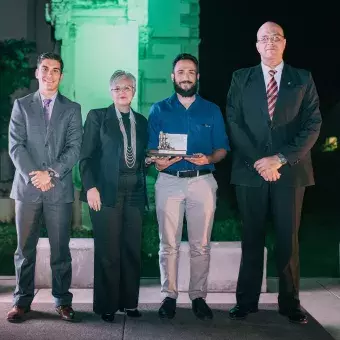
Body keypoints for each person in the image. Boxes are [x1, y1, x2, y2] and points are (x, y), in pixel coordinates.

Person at [226, 21, 322, 324]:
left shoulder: (302, 79)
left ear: (284, 43)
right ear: (256, 45)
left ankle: (290, 304)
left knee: (287, 239)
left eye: (275, 37)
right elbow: (234, 120)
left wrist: (279, 159)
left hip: (290, 173)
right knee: (251, 238)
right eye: (263, 39)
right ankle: (246, 302)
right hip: (249, 172)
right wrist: (261, 161)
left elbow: (313, 125)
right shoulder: (241, 79)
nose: (270, 42)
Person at [148, 53, 229, 320]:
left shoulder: (211, 109)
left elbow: (222, 149)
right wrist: (157, 162)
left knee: (201, 245)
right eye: (181, 72)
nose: (186, 77)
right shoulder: (159, 109)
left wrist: (209, 158)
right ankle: (169, 296)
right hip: (169, 181)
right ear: (173, 76)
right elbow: (151, 148)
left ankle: (198, 297)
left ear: (197, 77)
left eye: (191, 72)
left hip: (202, 181)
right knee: (168, 243)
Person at [7, 52, 83, 323]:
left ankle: (63, 301)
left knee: (60, 251)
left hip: (58, 189)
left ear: (61, 75)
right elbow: (16, 146)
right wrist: (34, 175)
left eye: (55, 70)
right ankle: (21, 302)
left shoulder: (72, 109)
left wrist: (51, 173)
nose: (49, 74)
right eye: (45, 69)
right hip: (27, 190)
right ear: (37, 73)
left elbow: (74, 148)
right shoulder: (22, 106)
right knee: (24, 250)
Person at [79, 70, 148, 322]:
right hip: (105, 191)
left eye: (128, 87)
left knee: (132, 249)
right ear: (111, 91)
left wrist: (153, 160)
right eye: (117, 88)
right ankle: (107, 305)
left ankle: (129, 302)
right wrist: (90, 187)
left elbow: (140, 157)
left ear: (134, 91)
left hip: (135, 193)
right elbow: (86, 157)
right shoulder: (98, 117)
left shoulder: (141, 121)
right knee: (109, 251)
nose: (122, 92)